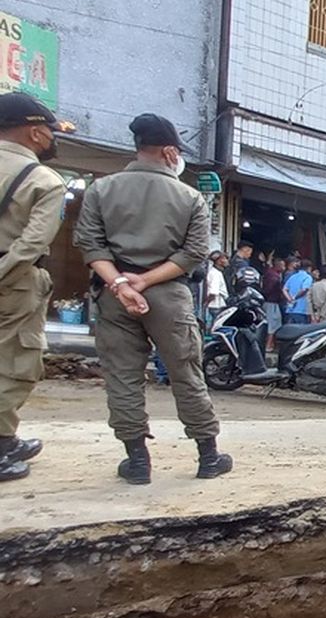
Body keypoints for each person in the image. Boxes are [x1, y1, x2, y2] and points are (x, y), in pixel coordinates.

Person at [74, 112, 232, 484]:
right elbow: (193, 254)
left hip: (114, 295)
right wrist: (144, 282)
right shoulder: (190, 197)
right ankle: (208, 457)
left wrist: (121, 284)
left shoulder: (100, 189)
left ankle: (138, 462)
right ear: (168, 151)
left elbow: (89, 244)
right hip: (169, 295)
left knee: (123, 376)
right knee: (186, 372)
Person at [0, 93, 74, 482]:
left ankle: (7, 437)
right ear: (34, 132)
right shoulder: (44, 180)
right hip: (14, 281)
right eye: (49, 130)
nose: (51, 137)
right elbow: (32, 241)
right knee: (16, 361)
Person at [261, 257, 286, 349]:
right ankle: (268, 345)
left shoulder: (272, 274)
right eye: (283, 266)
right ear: (278, 266)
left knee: (274, 323)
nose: (284, 268)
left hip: (272, 302)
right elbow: (268, 289)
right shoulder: (274, 277)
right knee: (272, 324)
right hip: (271, 302)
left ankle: (271, 344)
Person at [283, 258, 313, 325]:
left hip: (290, 309)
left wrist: (289, 299)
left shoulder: (292, 277)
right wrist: (294, 297)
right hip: (302, 309)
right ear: (309, 268)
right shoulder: (308, 277)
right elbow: (304, 289)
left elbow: (284, 289)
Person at [204, 251, 229, 326]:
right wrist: (206, 303)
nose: (226, 261)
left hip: (216, 305)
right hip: (216, 305)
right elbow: (213, 292)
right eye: (224, 258)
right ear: (218, 261)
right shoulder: (215, 274)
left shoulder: (216, 272)